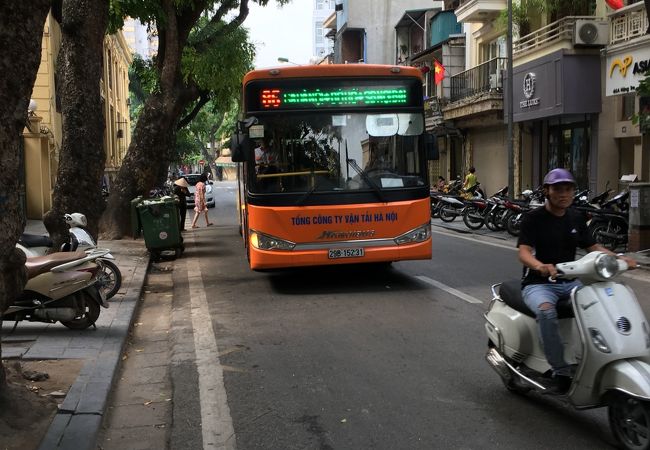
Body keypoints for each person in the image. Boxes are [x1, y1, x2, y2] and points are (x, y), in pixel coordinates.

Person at [517, 168, 636, 393]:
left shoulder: (575, 217)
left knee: (602, 305)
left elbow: (592, 247)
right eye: (558, 189)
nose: (564, 194)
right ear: (547, 191)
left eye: (569, 189)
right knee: (546, 312)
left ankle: (595, 357)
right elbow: (523, 252)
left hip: (571, 282)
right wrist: (539, 266)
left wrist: (619, 258)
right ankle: (560, 371)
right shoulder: (534, 218)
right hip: (538, 284)